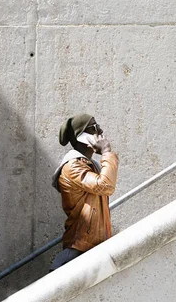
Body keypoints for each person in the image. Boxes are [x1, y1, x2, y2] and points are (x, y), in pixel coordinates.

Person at [49, 113, 119, 271]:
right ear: (83, 136)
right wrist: (107, 152)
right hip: (79, 246)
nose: (100, 131)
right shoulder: (73, 166)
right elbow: (105, 185)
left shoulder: (90, 165)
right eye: (94, 128)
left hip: (96, 245)